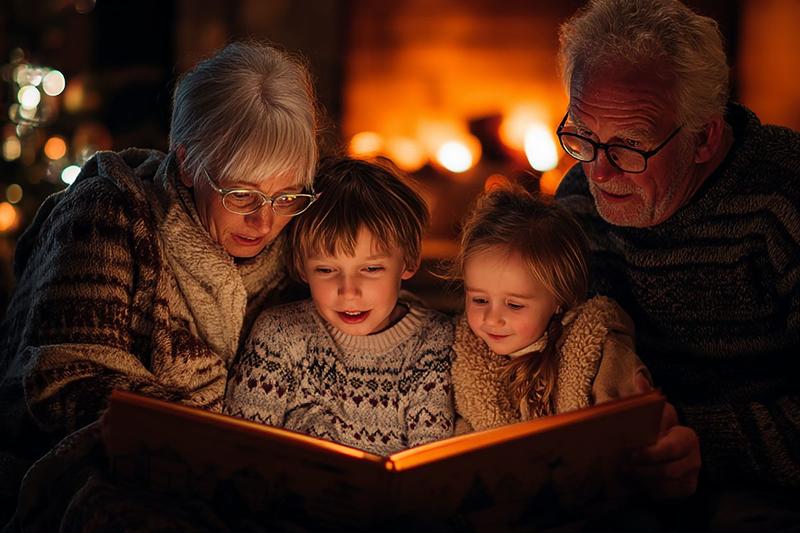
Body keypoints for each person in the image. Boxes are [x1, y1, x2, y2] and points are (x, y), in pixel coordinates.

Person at [0, 41, 319, 527]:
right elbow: (65, 381)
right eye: (240, 193)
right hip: (88, 468)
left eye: (286, 195)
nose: (264, 220)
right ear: (187, 163)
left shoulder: (299, 242)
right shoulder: (107, 214)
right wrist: (229, 433)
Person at [555, 0, 799, 516]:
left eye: (629, 145)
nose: (598, 173)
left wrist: (699, 443)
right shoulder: (579, 200)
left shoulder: (785, 201)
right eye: (581, 136)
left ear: (705, 137)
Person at [224, 157, 454, 456]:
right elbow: (243, 449)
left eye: (371, 269)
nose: (348, 292)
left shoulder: (434, 340)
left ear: (408, 261)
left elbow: (430, 459)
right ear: (301, 267)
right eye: (326, 270)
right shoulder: (280, 335)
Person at [449, 185, 651, 433]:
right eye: (480, 300)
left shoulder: (599, 350)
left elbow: (625, 431)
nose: (492, 319)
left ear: (558, 299)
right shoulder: (465, 362)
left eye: (514, 305)